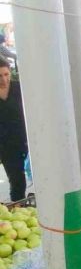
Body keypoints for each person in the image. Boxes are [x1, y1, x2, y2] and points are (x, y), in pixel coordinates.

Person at [0, 58, 27, 202]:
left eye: (6, 74)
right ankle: (19, 206)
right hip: (6, 146)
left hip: (27, 140)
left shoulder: (19, 89)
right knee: (17, 181)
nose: (4, 79)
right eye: (0, 76)